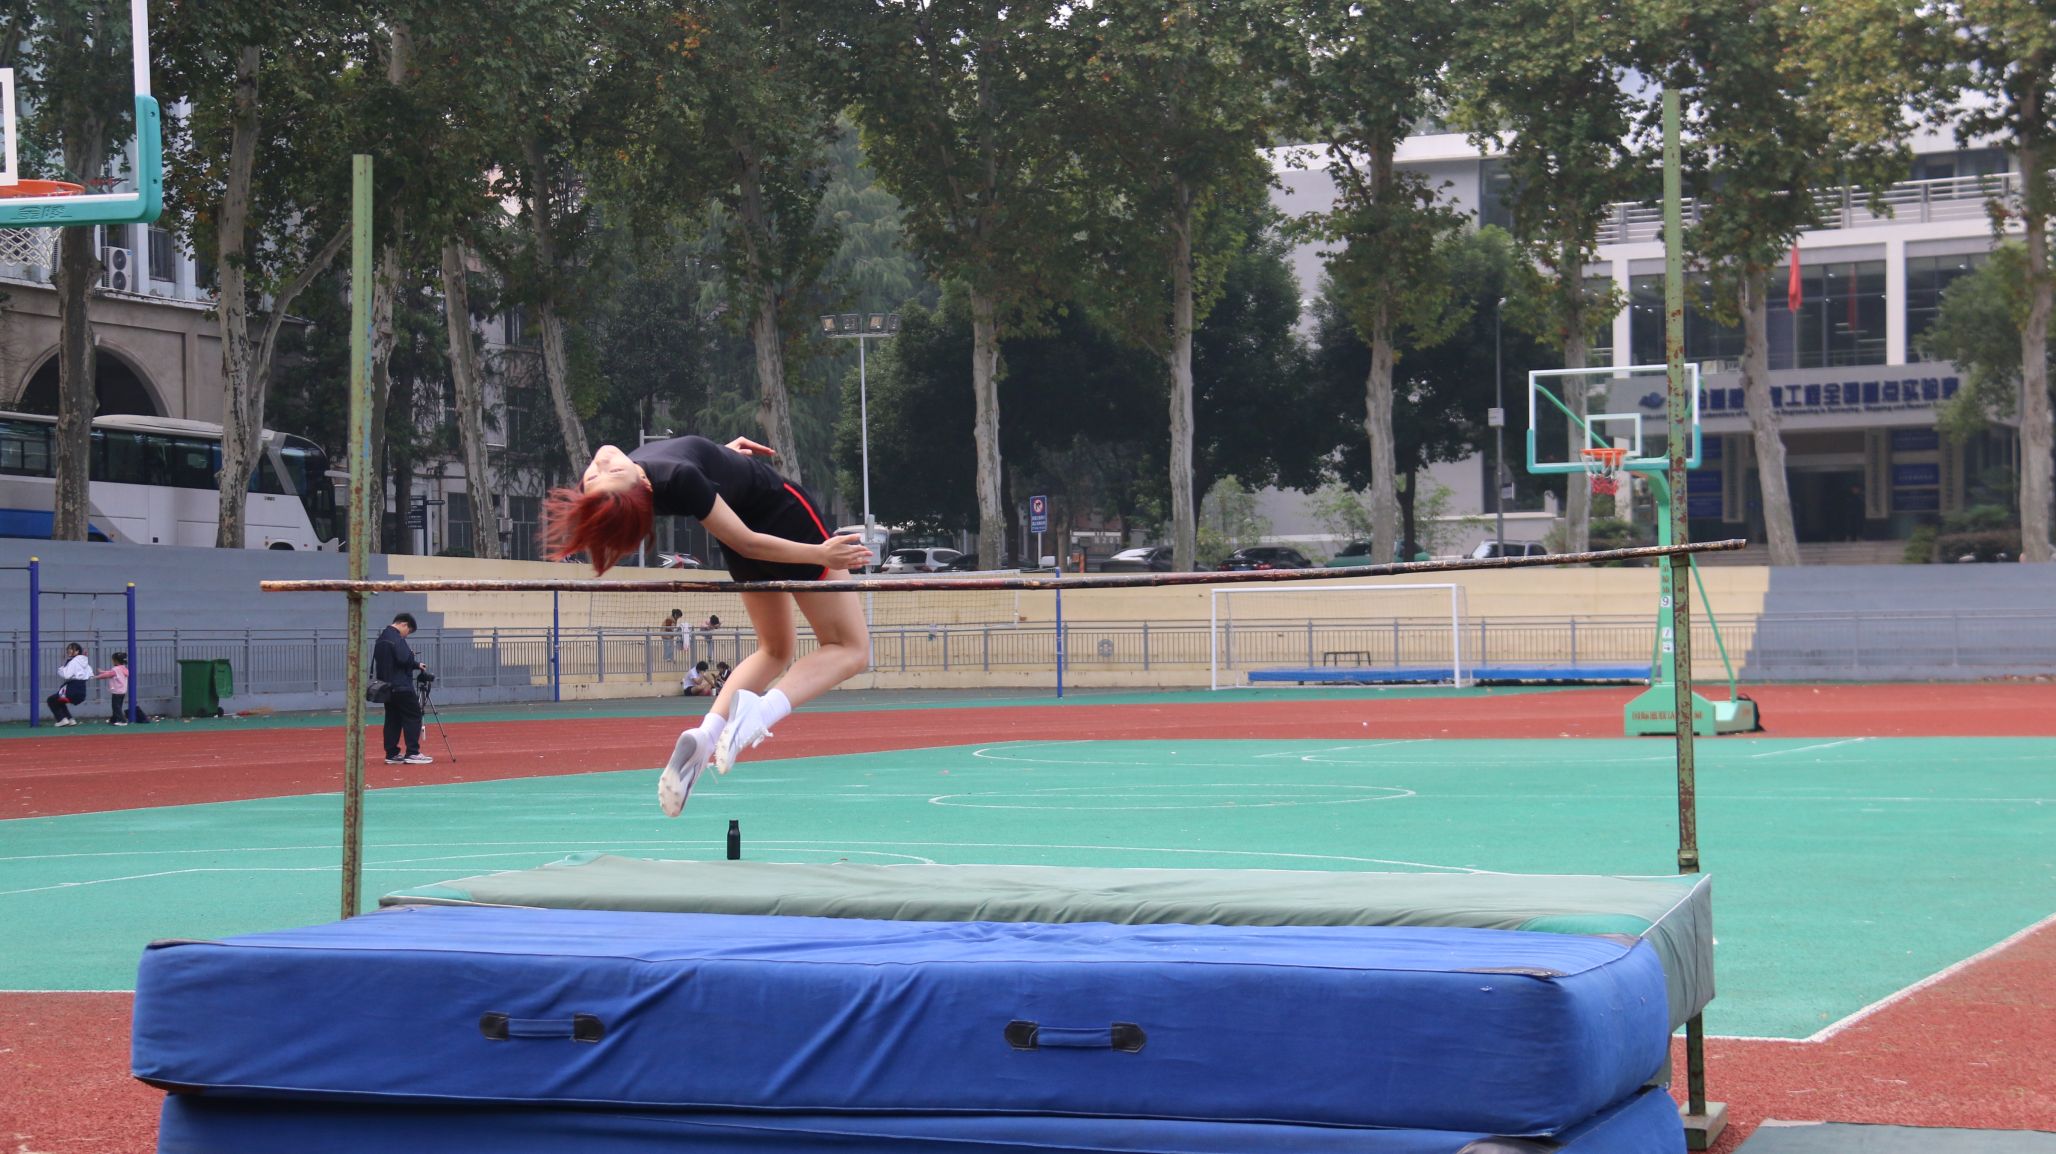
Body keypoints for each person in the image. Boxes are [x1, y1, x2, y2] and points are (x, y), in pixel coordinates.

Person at [543, 434, 871, 817]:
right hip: (782, 521)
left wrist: (722, 461)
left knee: (775, 650)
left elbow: (693, 483)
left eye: (594, 476)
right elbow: (748, 541)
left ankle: (705, 736)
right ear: (642, 484)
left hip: (738, 531)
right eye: (612, 472)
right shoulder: (677, 477)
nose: (601, 463)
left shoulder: (662, 486)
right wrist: (821, 553)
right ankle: (759, 714)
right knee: (850, 649)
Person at [373, 612, 433, 766]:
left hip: (386, 686)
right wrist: (411, 656)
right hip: (401, 685)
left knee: (392, 719)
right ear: (403, 624)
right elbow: (403, 658)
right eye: (408, 631)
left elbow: (391, 661)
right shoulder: (396, 638)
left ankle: (391, 754)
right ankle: (413, 752)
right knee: (413, 715)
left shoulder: (381, 638)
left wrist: (415, 664)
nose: (407, 635)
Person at [46, 643, 91, 727]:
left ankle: (61, 719)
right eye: (69, 648)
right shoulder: (85, 662)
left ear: (77, 651)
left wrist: (61, 669)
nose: (69, 650)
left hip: (72, 689)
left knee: (51, 700)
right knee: (59, 701)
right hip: (82, 690)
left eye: (72, 649)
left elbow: (66, 675)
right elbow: (90, 675)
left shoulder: (73, 661)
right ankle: (70, 719)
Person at [93, 651, 131, 726]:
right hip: (122, 691)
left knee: (116, 707)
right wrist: (103, 672)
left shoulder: (116, 669)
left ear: (116, 661)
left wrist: (96, 677)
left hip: (116, 691)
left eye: (112, 660)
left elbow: (108, 674)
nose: (112, 661)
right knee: (118, 706)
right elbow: (110, 672)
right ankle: (114, 719)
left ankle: (123, 720)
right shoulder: (123, 668)